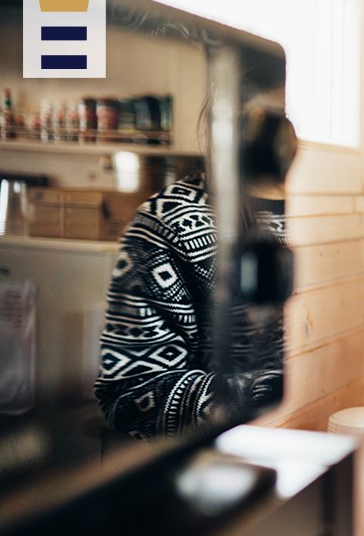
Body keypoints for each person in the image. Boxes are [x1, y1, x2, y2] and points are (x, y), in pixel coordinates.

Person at [95, 98, 292, 440]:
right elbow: (132, 395)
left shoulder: (346, 211)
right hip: (232, 463)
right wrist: (273, 393)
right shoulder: (168, 222)